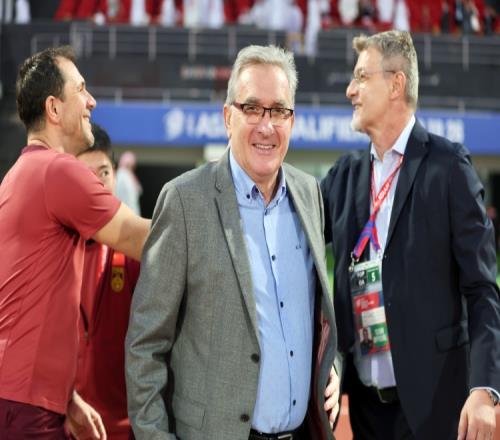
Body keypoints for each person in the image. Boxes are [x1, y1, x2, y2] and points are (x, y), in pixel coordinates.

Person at [126, 44, 339, 440]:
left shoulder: (310, 194)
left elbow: (311, 317)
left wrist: (330, 366)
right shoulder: (185, 201)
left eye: (279, 111)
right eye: (252, 108)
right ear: (228, 117)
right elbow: (145, 344)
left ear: (292, 120)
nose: (266, 126)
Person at [321, 30, 500, 439]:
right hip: (365, 410)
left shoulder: (448, 168)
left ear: (396, 84)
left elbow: (481, 289)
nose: (350, 90)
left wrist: (484, 388)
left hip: (436, 408)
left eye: (361, 77)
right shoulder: (344, 176)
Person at [0, 46, 150, 439]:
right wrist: (220, 220)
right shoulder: (57, 171)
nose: (91, 101)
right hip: (26, 405)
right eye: (81, 89)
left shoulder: (19, 175)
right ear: (54, 108)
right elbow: (140, 239)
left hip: (24, 396)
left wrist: (65, 396)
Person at [75, 124, 140, 440]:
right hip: (63, 424)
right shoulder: (51, 251)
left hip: (123, 428)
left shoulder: (134, 253)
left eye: (103, 173)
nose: (97, 186)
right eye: (84, 176)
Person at [115, 151, 142, 215]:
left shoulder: (129, 175)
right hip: (124, 212)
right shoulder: (121, 175)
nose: (132, 166)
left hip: (131, 212)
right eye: (129, 164)